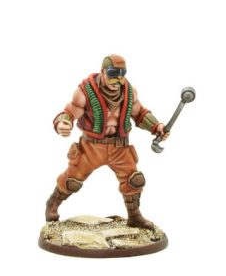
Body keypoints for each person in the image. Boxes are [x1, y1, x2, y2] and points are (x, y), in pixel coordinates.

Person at [45, 54, 169, 229]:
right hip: (92, 147)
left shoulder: (129, 92)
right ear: (103, 71)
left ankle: (134, 216)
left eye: (122, 74)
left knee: (134, 180)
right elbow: (71, 111)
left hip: (120, 147)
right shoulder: (85, 91)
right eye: (113, 73)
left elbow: (140, 113)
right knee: (71, 180)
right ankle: (52, 205)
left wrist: (157, 126)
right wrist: (62, 122)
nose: (118, 79)